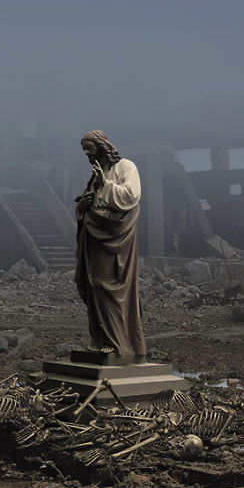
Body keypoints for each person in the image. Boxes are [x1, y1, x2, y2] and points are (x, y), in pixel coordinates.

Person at [74, 130, 147, 362]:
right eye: (84, 150)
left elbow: (131, 197)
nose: (87, 154)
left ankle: (118, 344)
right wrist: (84, 205)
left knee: (110, 287)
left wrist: (105, 185)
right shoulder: (97, 174)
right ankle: (100, 341)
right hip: (94, 238)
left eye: (90, 149)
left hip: (114, 237)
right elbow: (89, 201)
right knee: (93, 285)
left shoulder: (126, 167)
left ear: (102, 146)